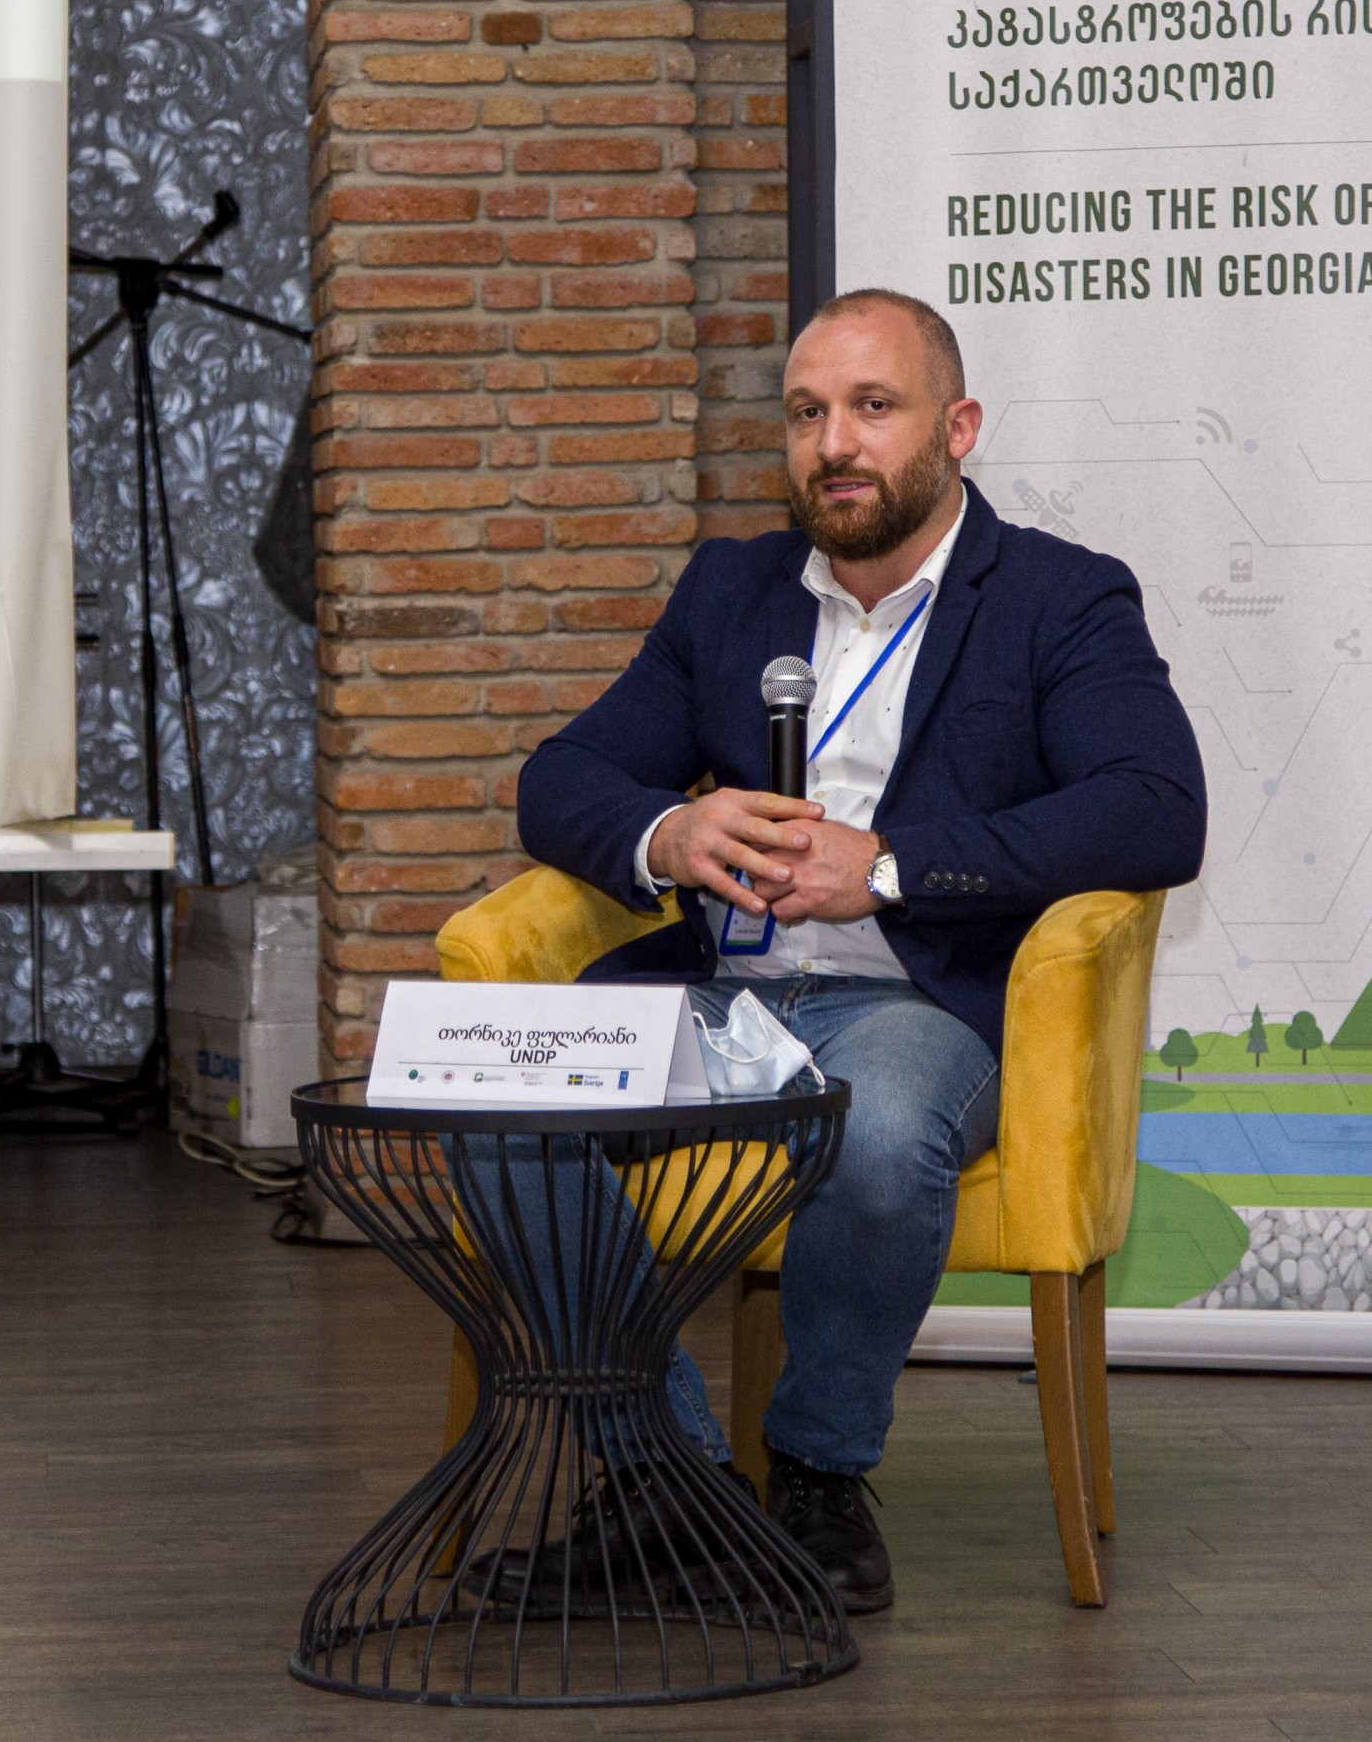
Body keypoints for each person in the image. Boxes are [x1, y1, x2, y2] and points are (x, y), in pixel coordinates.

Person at [504, 287, 1206, 1614]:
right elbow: (561, 778)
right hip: (721, 995)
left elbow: (1155, 808)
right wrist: (669, 830)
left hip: (915, 1004)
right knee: (498, 1112)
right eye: (807, 413)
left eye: (873, 407)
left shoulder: (1056, 598)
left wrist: (884, 867)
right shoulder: (733, 591)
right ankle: (667, 1484)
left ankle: (819, 1477)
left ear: (958, 427)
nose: (834, 443)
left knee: (874, 1127)